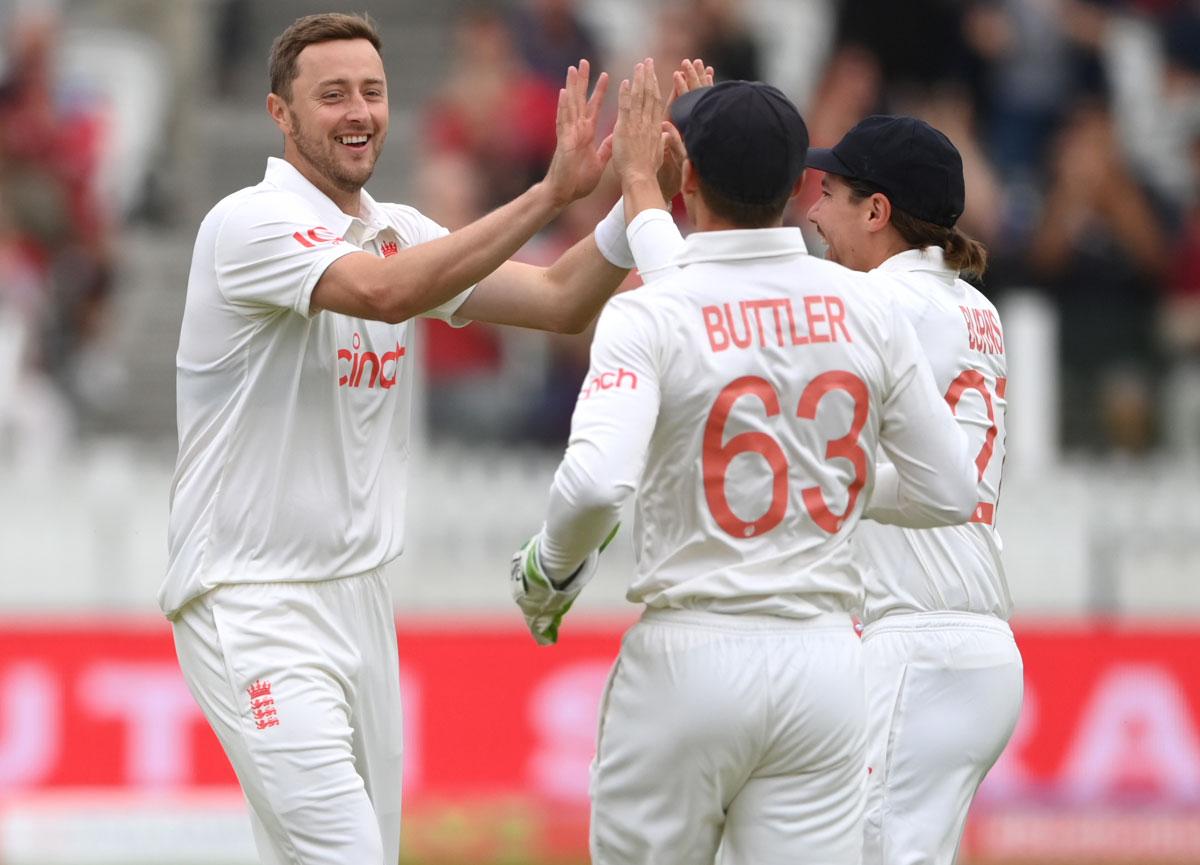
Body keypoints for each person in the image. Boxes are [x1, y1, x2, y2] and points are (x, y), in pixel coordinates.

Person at [159, 12, 655, 865]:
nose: (359, 113)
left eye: (373, 92)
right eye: (333, 95)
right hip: (254, 600)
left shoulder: (400, 230)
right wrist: (546, 195)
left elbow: (564, 301)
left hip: (361, 603)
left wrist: (637, 197)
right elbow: (386, 295)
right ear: (280, 115)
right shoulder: (248, 223)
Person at [509, 62, 980, 865]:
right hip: (827, 666)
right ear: (802, 187)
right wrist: (824, 480)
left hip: (689, 654)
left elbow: (594, 483)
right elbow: (950, 488)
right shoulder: (866, 306)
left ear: (687, 175)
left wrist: (547, 576)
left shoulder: (651, 308)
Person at [805, 115, 1024, 865]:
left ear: (876, 211)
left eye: (828, 192)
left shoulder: (883, 305)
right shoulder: (976, 310)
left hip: (916, 640)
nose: (810, 211)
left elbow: (750, 291)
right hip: (979, 641)